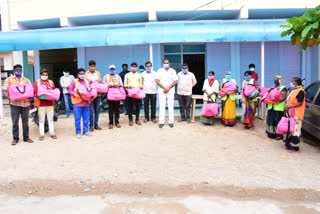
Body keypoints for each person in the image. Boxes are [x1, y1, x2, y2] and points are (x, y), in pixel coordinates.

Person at [2, 64, 34, 145]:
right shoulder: (8, 79)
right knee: (15, 122)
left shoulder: (26, 80)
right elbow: (4, 90)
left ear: (22, 70)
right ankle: (15, 139)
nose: (18, 71)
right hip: (14, 104)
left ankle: (26, 137)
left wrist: (30, 95)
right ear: (13, 71)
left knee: (25, 122)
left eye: (20, 70)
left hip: (25, 104)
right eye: (17, 70)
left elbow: (31, 90)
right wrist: (9, 96)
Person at [33, 69, 57, 141]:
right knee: (41, 120)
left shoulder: (51, 82)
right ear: (40, 75)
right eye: (43, 75)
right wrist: (39, 95)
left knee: (50, 119)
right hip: (41, 104)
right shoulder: (37, 82)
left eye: (46, 75)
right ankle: (41, 134)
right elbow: (34, 92)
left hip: (50, 103)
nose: (45, 76)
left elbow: (54, 91)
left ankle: (52, 133)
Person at [284, 77, 305, 153]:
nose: (291, 83)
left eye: (292, 81)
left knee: (296, 130)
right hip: (292, 113)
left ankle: (296, 147)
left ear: (296, 82)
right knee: (291, 129)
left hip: (297, 114)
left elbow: (300, 103)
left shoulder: (300, 91)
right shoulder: (295, 90)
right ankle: (289, 144)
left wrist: (288, 106)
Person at [68, 68, 92, 138]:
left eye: (83, 74)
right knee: (77, 119)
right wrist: (74, 94)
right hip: (77, 103)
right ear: (77, 74)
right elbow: (70, 90)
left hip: (86, 103)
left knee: (86, 118)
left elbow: (90, 90)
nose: (82, 75)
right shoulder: (74, 81)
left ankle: (86, 131)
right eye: (80, 74)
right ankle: (78, 132)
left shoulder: (87, 82)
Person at [156, 59, 178, 128]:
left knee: (170, 106)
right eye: (165, 63)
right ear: (162, 63)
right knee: (162, 107)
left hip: (170, 91)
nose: (166, 64)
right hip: (162, 91)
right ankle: (161, 122)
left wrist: (168, 88)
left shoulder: (173, 71)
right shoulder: (159, 70)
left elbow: (175, 81)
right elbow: (157, 81)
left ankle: (171, 122)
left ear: (169, 63)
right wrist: (164, 88)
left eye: (167, 63)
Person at [266, 76, 287, 140]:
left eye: (276, 80)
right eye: (274, 80)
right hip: (271, 107)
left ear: (280, 80)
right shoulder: (272, 88)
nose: (275, 81)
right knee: (270, 120)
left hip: (278, 108)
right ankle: (271, 133)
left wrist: (276, 101)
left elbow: (284, 97)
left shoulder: (283, 88)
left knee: (277, 121)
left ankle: (279, 135)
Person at [103, 65, 123, 129]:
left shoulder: (118, 76)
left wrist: (117, 85)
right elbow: (104, 85)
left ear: (115, 69)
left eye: (113, 69)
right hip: (110, 95)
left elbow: (121, 85)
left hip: (117, 95)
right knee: (110, 109)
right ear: (109, 69)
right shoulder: (106, 76)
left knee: (117, 109)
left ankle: (117, 122)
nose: (112, 70)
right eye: (111, 69)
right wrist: (109, 85)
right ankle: (111, 123)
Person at [85, 60, 102, 131]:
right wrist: (89, 82)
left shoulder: (97, 73)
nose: (93, 67)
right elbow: (85, 83)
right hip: (90, 95)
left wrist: (99, 82)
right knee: (91, 110)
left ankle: (96, 125)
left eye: (94, 66)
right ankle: (91, 126)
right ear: (89, 66)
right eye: (91, 66)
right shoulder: (86, 73)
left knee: (97, 110)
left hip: (98, 94)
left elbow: (99, 81)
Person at [124, 62, 143, 126]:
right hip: (130, 93)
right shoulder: (127, 75)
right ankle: (130, 120)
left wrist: (139, 87)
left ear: (136, 68)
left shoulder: (139, 75)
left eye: (135, 67)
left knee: (138, 106)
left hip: (137, 93)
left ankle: (137, 119)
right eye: (132, 67)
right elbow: (125, 84)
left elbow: (141, 84)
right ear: (130, 67)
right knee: (130, 106)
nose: (134, 68)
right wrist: (128, 89)